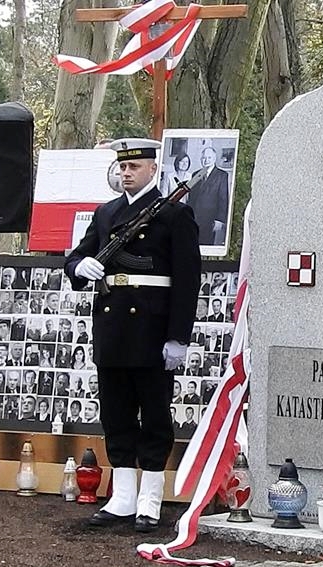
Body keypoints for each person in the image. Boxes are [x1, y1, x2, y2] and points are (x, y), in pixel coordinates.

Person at [65, 137, 201, 534]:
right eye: (122, 167)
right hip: (113, 328)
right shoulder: (106, 213)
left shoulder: (174, 214)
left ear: (153, 169)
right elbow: (76, 257)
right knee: (116, 413)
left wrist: (178, 336)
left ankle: (150, 498)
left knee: (155, 414)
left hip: (151, 328)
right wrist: (80, 267)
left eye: (134, 166)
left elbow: (187, 280)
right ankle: (123, 496)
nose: (126, 173)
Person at [187, 146, 229, 246]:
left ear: (214, 158)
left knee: (205, 244)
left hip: (210, 219)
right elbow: (191, 198)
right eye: (204, 158)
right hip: (194, 218)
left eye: (209, 157)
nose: (206, 160)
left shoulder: (222, 175)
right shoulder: (195, 174)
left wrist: (220, 220)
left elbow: (223, 199)